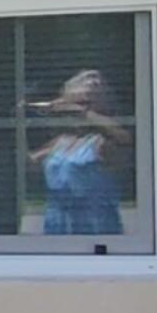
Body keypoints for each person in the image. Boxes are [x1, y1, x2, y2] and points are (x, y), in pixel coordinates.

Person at [29, 69, 128, 239]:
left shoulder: (102, 141)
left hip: (93, 224)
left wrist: (82, 113)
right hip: (57, 222)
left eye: (86, 104)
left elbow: (125, 141)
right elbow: (28, 163)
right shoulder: (61, 141)